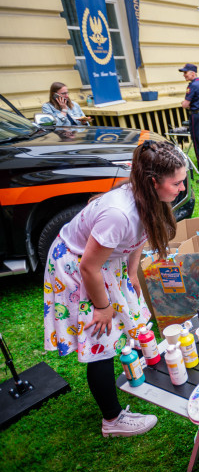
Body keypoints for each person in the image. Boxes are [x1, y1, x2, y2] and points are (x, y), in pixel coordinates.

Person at [43, 140, 187, 436]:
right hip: (78, 266)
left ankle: (129, 369)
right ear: (153, 182)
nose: (182, 189)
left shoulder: (147, 198)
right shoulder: (118, 215)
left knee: (124, 321)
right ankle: (112, 420)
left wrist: (131, 272)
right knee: (101, 339)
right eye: (177, 183)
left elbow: (141, 234)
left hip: (105, 263)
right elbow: (88, 268)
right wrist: (103, 307)